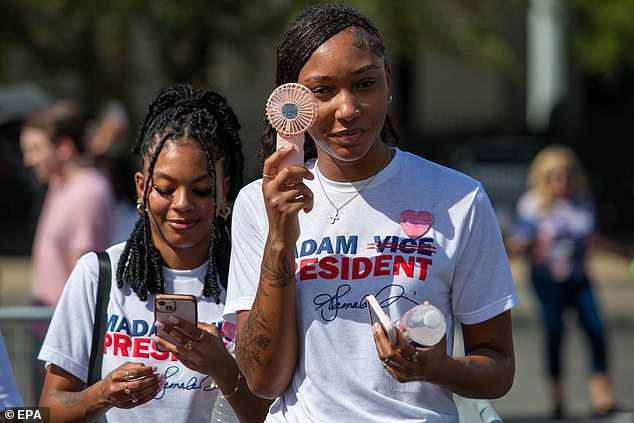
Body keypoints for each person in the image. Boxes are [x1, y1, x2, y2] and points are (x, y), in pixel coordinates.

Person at [223, 4, 519, 422]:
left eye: (364, 83)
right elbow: (262, 379)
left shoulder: (458, 198)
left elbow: (499, 367)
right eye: (322, 91)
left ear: (388, 81)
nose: (348, 108)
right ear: (292, 99)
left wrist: (439, 369)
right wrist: (280, 241)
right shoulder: (259, 204)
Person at [37, 84, 272, 423]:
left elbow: (277, 414)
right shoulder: (99, 274)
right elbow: (41, 413)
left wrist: (221, 366)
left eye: (202, 189)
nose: (182, 204)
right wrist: (103, 394)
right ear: (141, 187)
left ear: (225, 191)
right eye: (165, 188)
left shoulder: (252, 276)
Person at [505, 144, 615, 418]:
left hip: (578, 278)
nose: (561, 181)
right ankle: (558, 400)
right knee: (555, 333)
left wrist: (623, 254)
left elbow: (592, 238)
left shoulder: (582, 200)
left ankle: (602, 396)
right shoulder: (532, 203)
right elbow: (520, 241)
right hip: (546, 279)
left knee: (596, 329)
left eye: (566, 175)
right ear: (543, 176)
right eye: (554, 175)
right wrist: (512, 245)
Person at [20, 100, 117, 397]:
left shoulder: (87, 191)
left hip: (66, 339)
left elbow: (84, 271)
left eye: (36, 149)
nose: (29, 160)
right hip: (46, 330)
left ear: (63, 147)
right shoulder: (61, 182)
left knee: (47, 414)